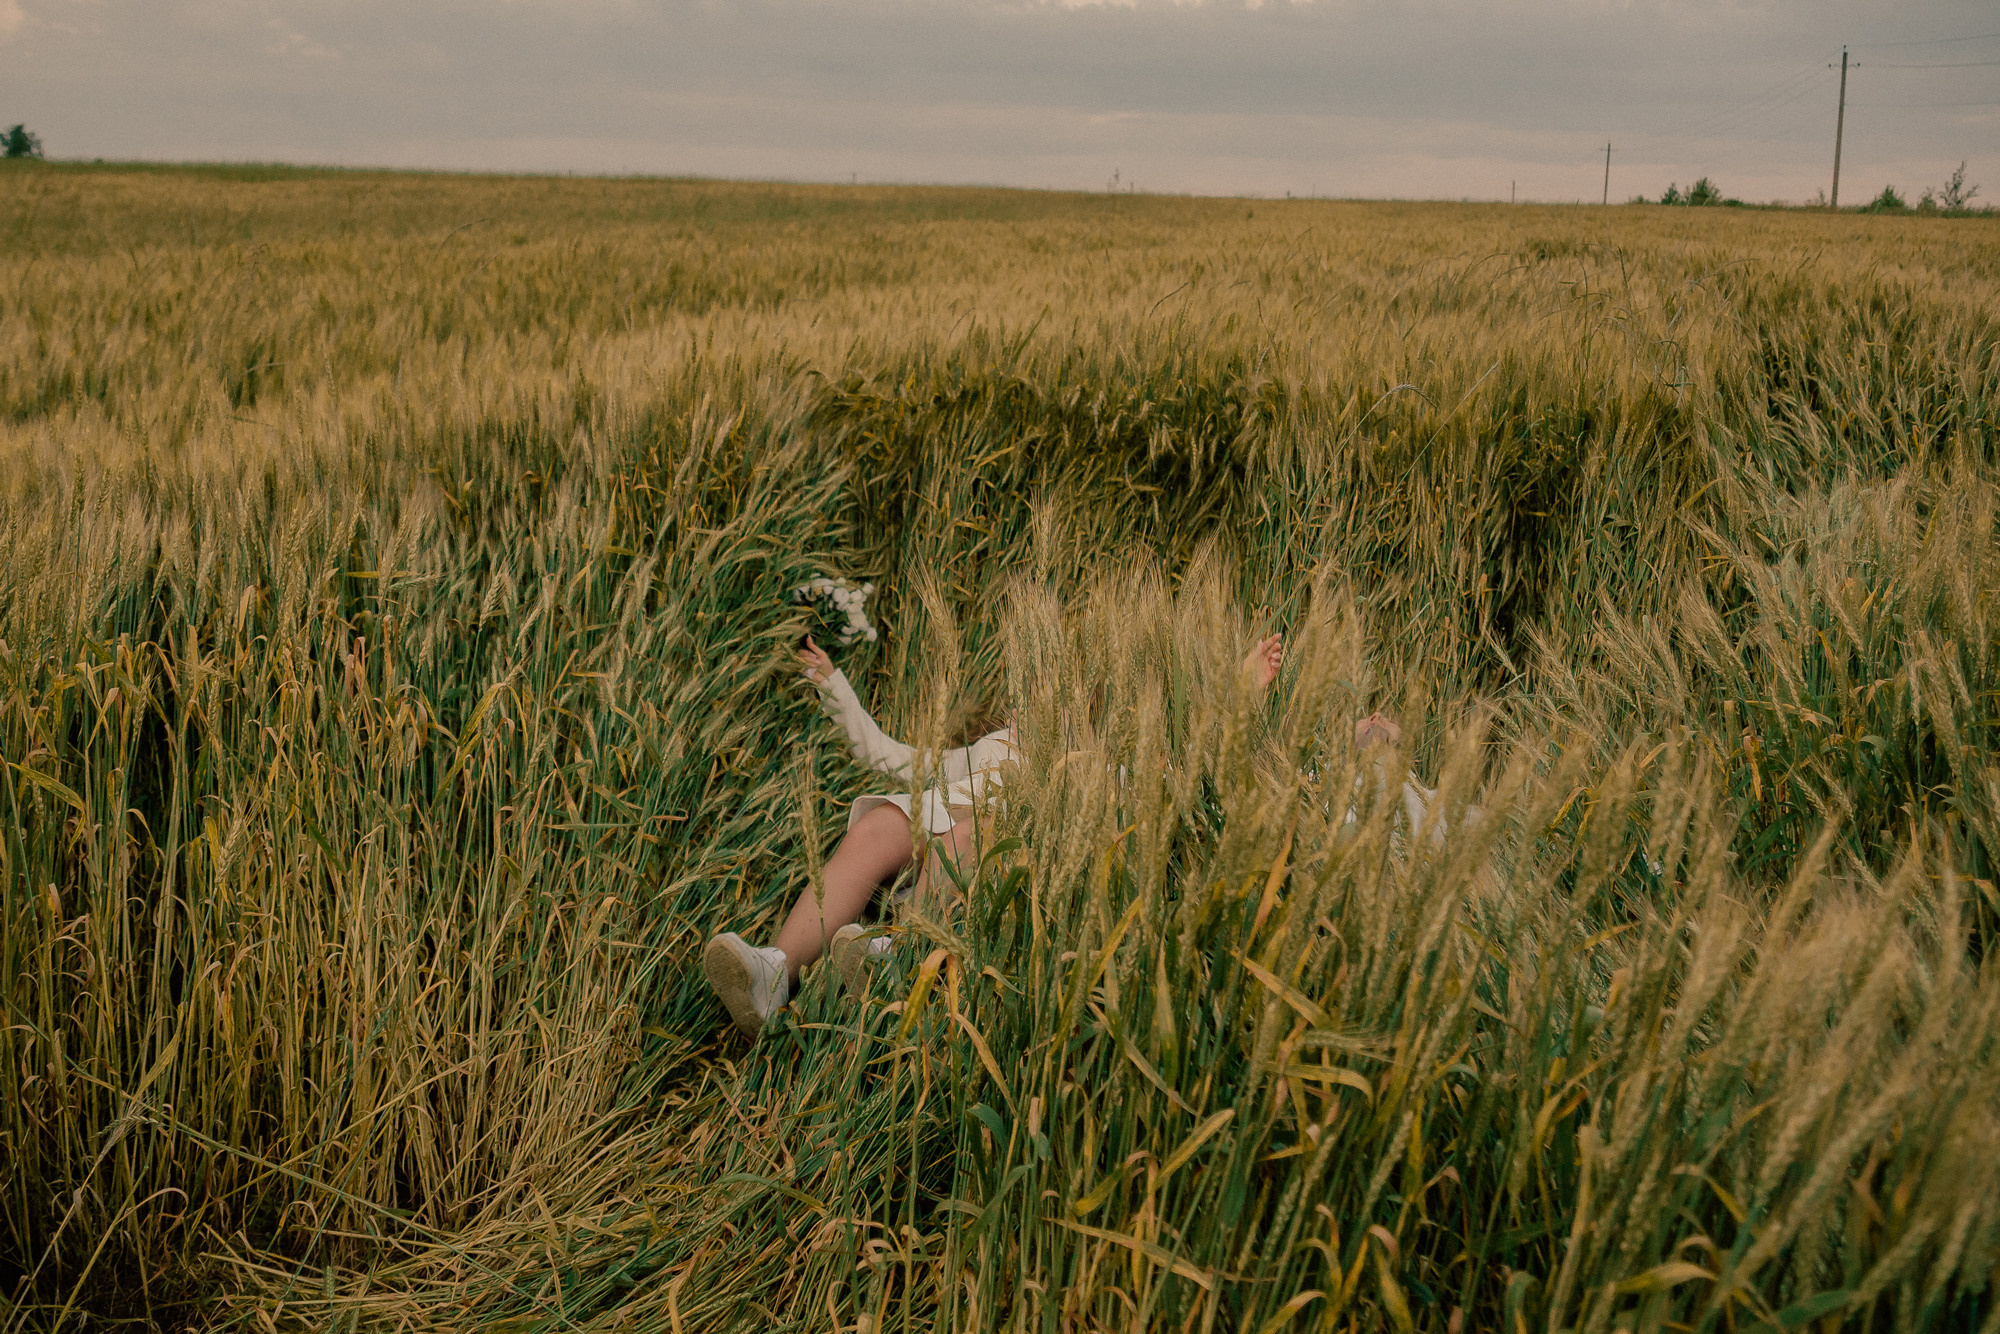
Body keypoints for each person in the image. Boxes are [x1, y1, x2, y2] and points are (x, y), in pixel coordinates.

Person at [702, 635, 1019, 1037]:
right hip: (942, 820)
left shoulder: (1091, 768)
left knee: (962, 839)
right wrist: (834, 685)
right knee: (881, 823)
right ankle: (775, 973)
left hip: (993, 844)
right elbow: (881, 752)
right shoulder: (979, 751)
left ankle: (897, 961)